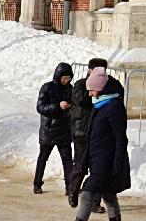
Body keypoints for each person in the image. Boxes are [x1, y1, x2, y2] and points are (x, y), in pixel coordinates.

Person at [74, 60, 130, 220]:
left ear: (99, 89)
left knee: (87, 193)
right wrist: (85, 160)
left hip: (107, 162)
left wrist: (117, 163)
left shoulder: (114, 108)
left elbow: (120, 138)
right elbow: (93, 137)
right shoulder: (99, 105)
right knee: (109, 196)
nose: (90, 94)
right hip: (97, 160)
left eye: (91, 90)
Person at [67, 57, 123, 205]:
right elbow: (80, 100)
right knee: (80, 164)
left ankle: (95, 202)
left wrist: (105, 87)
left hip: (100, 134)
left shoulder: (108, 84)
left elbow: (119, 92)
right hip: (82, 131)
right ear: (89, 70)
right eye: (96, 71)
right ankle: (73, 191)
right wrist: (95, 90)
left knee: (98, 169)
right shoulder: (81, 84)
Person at [33, 61, 76, 196]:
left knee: (68, 160)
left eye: (68, 78)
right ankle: (37, 184)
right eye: (64, 78)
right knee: (42, 158)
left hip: (64, 130)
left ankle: (69, 187)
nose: (66, 80)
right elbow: (40, 107)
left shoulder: (70, 89)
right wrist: (58, 106)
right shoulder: (47, 88)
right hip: (49, 131)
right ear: (58, 76)